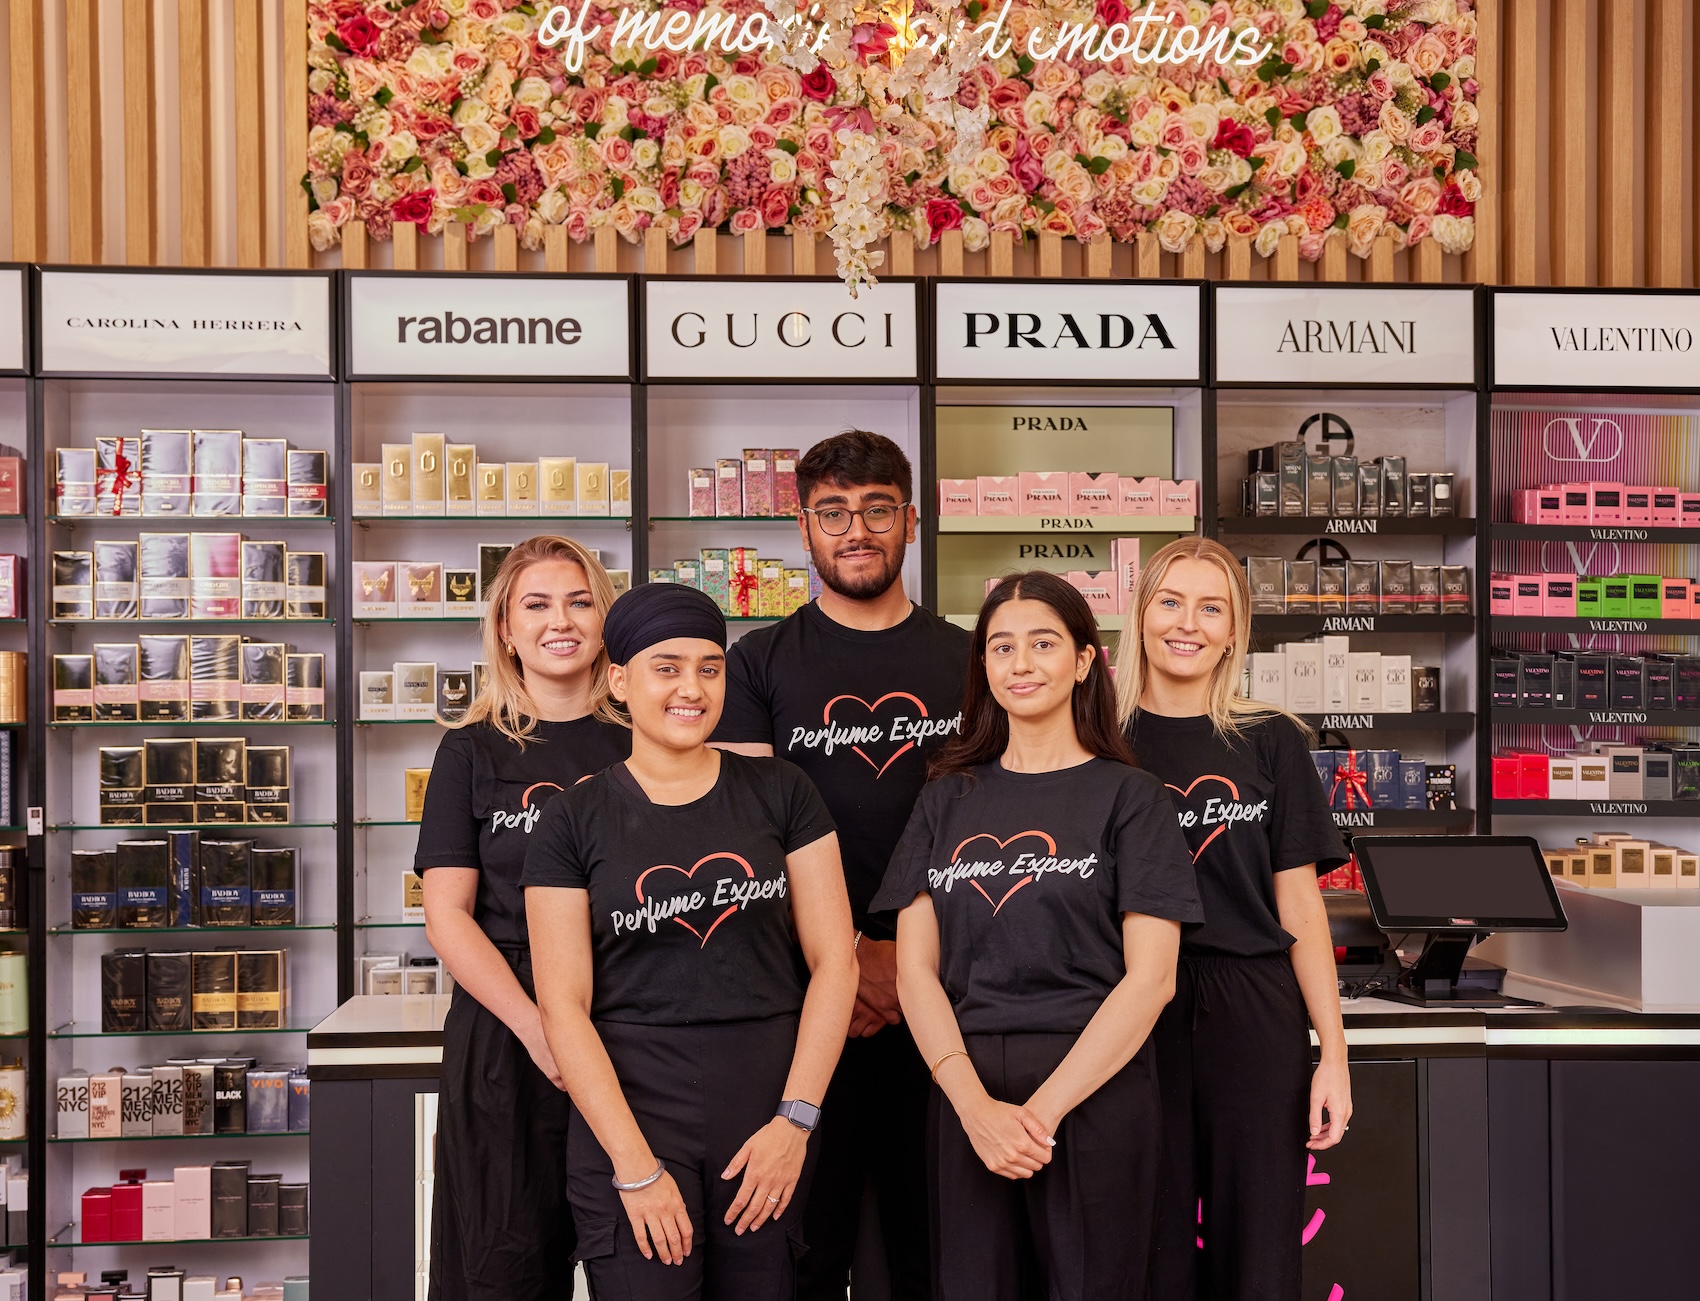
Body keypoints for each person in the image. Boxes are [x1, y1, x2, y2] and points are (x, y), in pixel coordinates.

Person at [523, 581, 859, 1300]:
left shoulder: (783, 790)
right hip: (633, 1110)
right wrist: (634, 1166)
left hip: (767, 1108)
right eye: (667, 666)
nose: (692, 687)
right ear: (619, 678)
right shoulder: (572, 819)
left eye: (710, 667)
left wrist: (795, 1121)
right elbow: (562, 1004)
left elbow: (835, 962)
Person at [873, 570, 1203, 1301]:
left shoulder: (1131, 796)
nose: (1020, 664)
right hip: (967, 1087)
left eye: (1043, 643)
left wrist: (1041, 1115)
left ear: (1086, 659)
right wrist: (973, 1108)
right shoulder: (945, 796)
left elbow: (1151, 979)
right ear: (982, 666)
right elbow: (914, 971)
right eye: (1001, 647)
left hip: (1096, 1087)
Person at [712, 429, 969, 1300]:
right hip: (803, 1001)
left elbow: (992, 820)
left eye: (875, 509)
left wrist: (906, 958)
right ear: (803, 527)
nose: (855, 530)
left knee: (934, 1244)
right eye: (832, 512)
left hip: (947, 993)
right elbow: (747, 832)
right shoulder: (757, 663)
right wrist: (849, 954)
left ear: (910, 520)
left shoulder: (971, 660)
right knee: (806, 1248)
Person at [1115, 536, 1353, 1301]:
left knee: (1258, 1241)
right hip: (1126, 1007)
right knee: (1144, 1237)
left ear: (1233, 629)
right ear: (1141, 613)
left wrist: (1333, 1053)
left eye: (1210, 606)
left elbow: (1300, 907)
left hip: (1252, 1007)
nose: (1188, 623)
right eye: (1171, 601)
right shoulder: (1099, 738)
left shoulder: (1272, 739)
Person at [418, 535, 633, 1301]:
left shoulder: (642, 743)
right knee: (503, 1268)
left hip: (628, 1019)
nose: (560, 621)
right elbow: (447, 917)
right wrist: (540, 1025)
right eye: (536, 604)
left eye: (580, 601)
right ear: (506, 627)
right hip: (508, 1039)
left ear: (606, 619)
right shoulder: (470, 752)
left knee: (639, 1252)